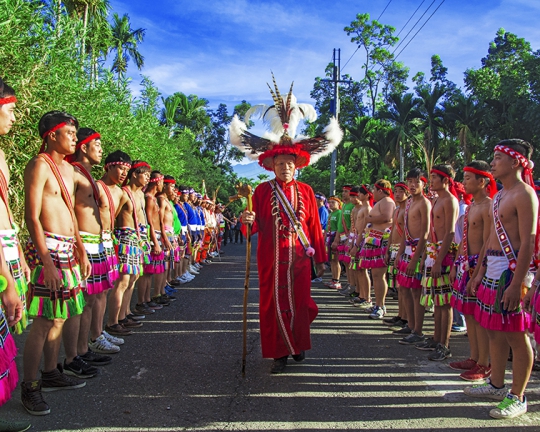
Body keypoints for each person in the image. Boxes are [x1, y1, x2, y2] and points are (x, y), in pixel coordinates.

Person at [232, 76, 341, 373]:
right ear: (272, 166)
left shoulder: (306, 191)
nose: (285, 167)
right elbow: (251, 226)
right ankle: (279, 353)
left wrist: (320, 259)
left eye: (289, 163)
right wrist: (246, 221)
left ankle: (298, 345)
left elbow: (315, 228)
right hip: (271, 258)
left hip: (300, 259)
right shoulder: (261, 191)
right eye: (280, 164)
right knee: (272, 305)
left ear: (296, 165)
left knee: (301, 304)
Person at [465, 139, 538, 419]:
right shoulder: (499, 196)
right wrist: (480, 272)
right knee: (493, 330)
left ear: (515, 161)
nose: (493, 162)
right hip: (492, 269)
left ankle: (518, 396)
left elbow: (529, 242)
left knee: (516, 336)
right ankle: (496, 384)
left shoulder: (525, 194)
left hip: (511, 271)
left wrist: (517, 283)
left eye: (497, 157)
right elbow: (489, 239)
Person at [22, 111, 88, 415]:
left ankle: (50, 372)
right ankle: (30, 386)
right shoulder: (40, 165)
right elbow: (32, 216)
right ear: (52, 135)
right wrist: (46, 262)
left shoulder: (68, 169)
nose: (75, 139)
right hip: (47, 251)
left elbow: (70, 212)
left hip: (68, 251)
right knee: (44, 321)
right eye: (70, 133)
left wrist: (81, 248)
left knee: (60, 317)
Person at [62, 128, 112, 380]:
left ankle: (83, 349)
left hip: (96, 244)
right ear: (84, 147)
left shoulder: (87, 175)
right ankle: (71, 357)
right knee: (79, 303)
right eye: (97, 145)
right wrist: (79, 247)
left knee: (90, 301)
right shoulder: (73, 173)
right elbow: (69, 212)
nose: (101, 150)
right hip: (83, 244)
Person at [0, 76, 31, 431]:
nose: (14, 117)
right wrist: (6, 279)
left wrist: (18, 253)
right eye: (9, 109)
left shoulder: (2, 154)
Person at [449, 161, 494, 380]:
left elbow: (487, 242)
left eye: (468, 178)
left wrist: (477, 273)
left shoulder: (488, 206)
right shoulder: (472, 207)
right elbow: (465, 239)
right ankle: (474, 357)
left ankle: (485, 363)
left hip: (478, 266)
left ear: (482, 181)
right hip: (465, 263)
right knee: (469, 313)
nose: (463, 182)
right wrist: (456, 264)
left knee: (478, 315)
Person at [417, 165, 459, 360]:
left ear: (446, 180)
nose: (431, 181)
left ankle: (445, 344)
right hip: (433, 252)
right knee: (436, 299)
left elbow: (450, 232)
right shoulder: (436, 200)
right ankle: (436, 338)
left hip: (444, 254)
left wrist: (439, 261)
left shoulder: (450, 200)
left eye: (434, 177)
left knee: (445, 302)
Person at [106, 160, 151, 335]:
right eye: (145, 174)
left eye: (149, 175)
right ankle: (113, 321)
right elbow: (112, 216)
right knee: (123, 281)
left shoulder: (141, 195)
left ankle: (125, 314)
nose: (147, 178)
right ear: (134, 174)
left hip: (138, 238)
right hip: (125, 237)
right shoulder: (124, 193)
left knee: (133, 278)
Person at [94, 150, 132, 351]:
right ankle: (94, 336)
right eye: (120, 168)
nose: (124, 173)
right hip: (94, 241)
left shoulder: (120, 193)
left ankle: (100, 331)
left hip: (109, 242)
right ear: (108, 167)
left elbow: (114, 216)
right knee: (95, 294)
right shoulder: (97, 187)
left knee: (105, 289)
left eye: (127, 169)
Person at [396, 169, 431, 346]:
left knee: (417, 292)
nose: (412, 185)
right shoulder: (409, 203)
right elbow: (405, 232)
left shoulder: (425, 203)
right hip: (407, 250)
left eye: (416, 182)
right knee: (404, 288)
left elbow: (425, 233)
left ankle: (418, 330)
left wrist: (416, 258)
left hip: (418, 252)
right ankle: (410, 325)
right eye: (410, 181)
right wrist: (400, 252)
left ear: (424, 184)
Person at [359, 179, 396, 319]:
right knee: (375, 275)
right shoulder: (381, 202)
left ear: (380, 191)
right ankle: (377, 304)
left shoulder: (387, 201)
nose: (373, 193)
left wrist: (369, 219)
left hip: (381, 241)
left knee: (379, 275)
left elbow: (387, 217)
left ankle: (381, 306)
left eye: (374, 190)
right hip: (374, 240)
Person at [383, 182, 410, 329]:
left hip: (403, 249)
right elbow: (392, 229)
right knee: (398, 286)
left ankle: (406, 318)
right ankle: (401, 314)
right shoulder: (397, 210)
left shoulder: (408, 209)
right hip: (393, 248)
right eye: (396, 191)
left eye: (401, 191)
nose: (397, 194)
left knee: (404, 287)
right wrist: (388, 249)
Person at [347, 186, 371, 307]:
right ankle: (361, 295)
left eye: (359, 194)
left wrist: (357, 244)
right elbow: (355, 227)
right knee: (358, 269)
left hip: (362, 240)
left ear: (366, 195)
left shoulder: (367, 209)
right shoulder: (359, 209)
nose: (358, 196)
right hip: (357, 238)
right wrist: (352, 241)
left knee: (363, 269)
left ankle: (367, 297)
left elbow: (366, 228)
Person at [324, 196, 342, 289]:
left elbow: (339, 227)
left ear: (338, 204)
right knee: (331, 260)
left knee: (335, 259)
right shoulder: (331, 213)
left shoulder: (339, 213)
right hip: (329, 237)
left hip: (335, 237)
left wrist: (336, 239)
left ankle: (337, 280)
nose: (330, 204)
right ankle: (333, 279)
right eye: (329, 202)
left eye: (333, 202)